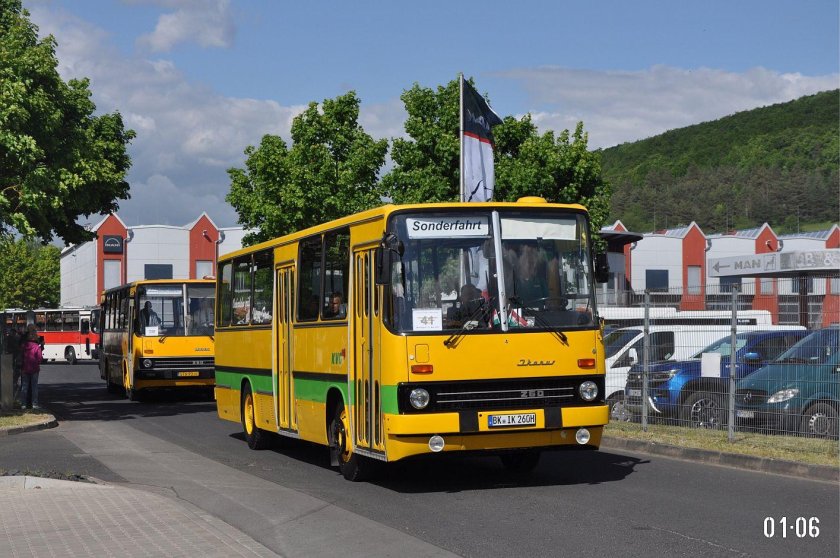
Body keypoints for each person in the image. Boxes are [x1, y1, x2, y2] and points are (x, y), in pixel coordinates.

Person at [19, 324, 43, 410]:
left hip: (25, 368)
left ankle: (23, 404)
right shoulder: (37, 347)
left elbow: (20, 356)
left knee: (24, 386)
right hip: (34, 369)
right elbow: (40, 359)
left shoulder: (24, 346)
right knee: (34, 387)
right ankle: (34, 404)